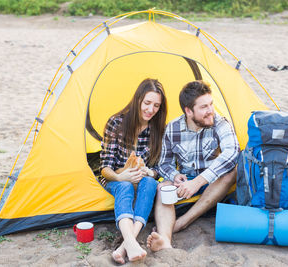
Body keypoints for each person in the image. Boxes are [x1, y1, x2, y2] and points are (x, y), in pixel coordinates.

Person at [147, 80, 239, 251]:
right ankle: (165, 241)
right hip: (186, 181)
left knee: (231, 172)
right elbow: (164, 164)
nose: (210, 110)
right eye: (204, 107)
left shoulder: (220, 122)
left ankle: (182, 223)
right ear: (188, 111)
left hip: (214, 180)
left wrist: (197, 181)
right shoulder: (173, 128)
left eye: (211, 104)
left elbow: (232, 153)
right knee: (162, 188)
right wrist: (175, 176)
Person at [100, 78, 167, 263]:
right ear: (138, 99)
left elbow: (159, 170)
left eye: (156, 106)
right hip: (116, 178)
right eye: (147, 103)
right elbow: (105, 168)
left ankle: (125, 245)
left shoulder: (158, 129)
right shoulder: (116, 122)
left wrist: (149, 172)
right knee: (125, 187)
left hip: (142, 180)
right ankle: (130, 242)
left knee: (150, 182)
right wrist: (121, 176)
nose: (150, 110)